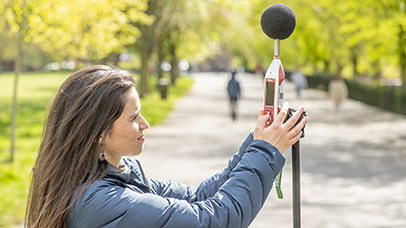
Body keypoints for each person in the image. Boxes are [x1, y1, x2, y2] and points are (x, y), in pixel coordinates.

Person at [25, 65, 308, 228]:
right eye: (134, 117)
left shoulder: (117, 174)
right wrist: (264, 152)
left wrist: (257, 141)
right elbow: (213, 220)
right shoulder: (100, 201)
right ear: (98, 132)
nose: (145, 123)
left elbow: (199, 197)